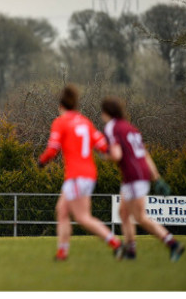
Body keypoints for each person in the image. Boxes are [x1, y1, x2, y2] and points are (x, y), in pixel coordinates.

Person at [38, 85, 123, 261]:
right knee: (62, 210)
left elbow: (53, 149)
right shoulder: (85, 122)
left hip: (76, 176)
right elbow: (102, 145)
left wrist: (42, 161)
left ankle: (115, 243)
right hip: (88, 174)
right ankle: (63, 251)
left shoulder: (61, 122)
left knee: (82, 218)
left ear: (61, 106)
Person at [101, 96, 185, 262]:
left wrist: (103, 155)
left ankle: (172, 244)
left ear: (106, 113)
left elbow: (116, 155)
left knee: (140, 217)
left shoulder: (112, 127)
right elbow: (144, 155)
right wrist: (157, 178)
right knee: (123, 213)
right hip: (139, 174)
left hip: (133, 176)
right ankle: (131, 250)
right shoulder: (131, 128)